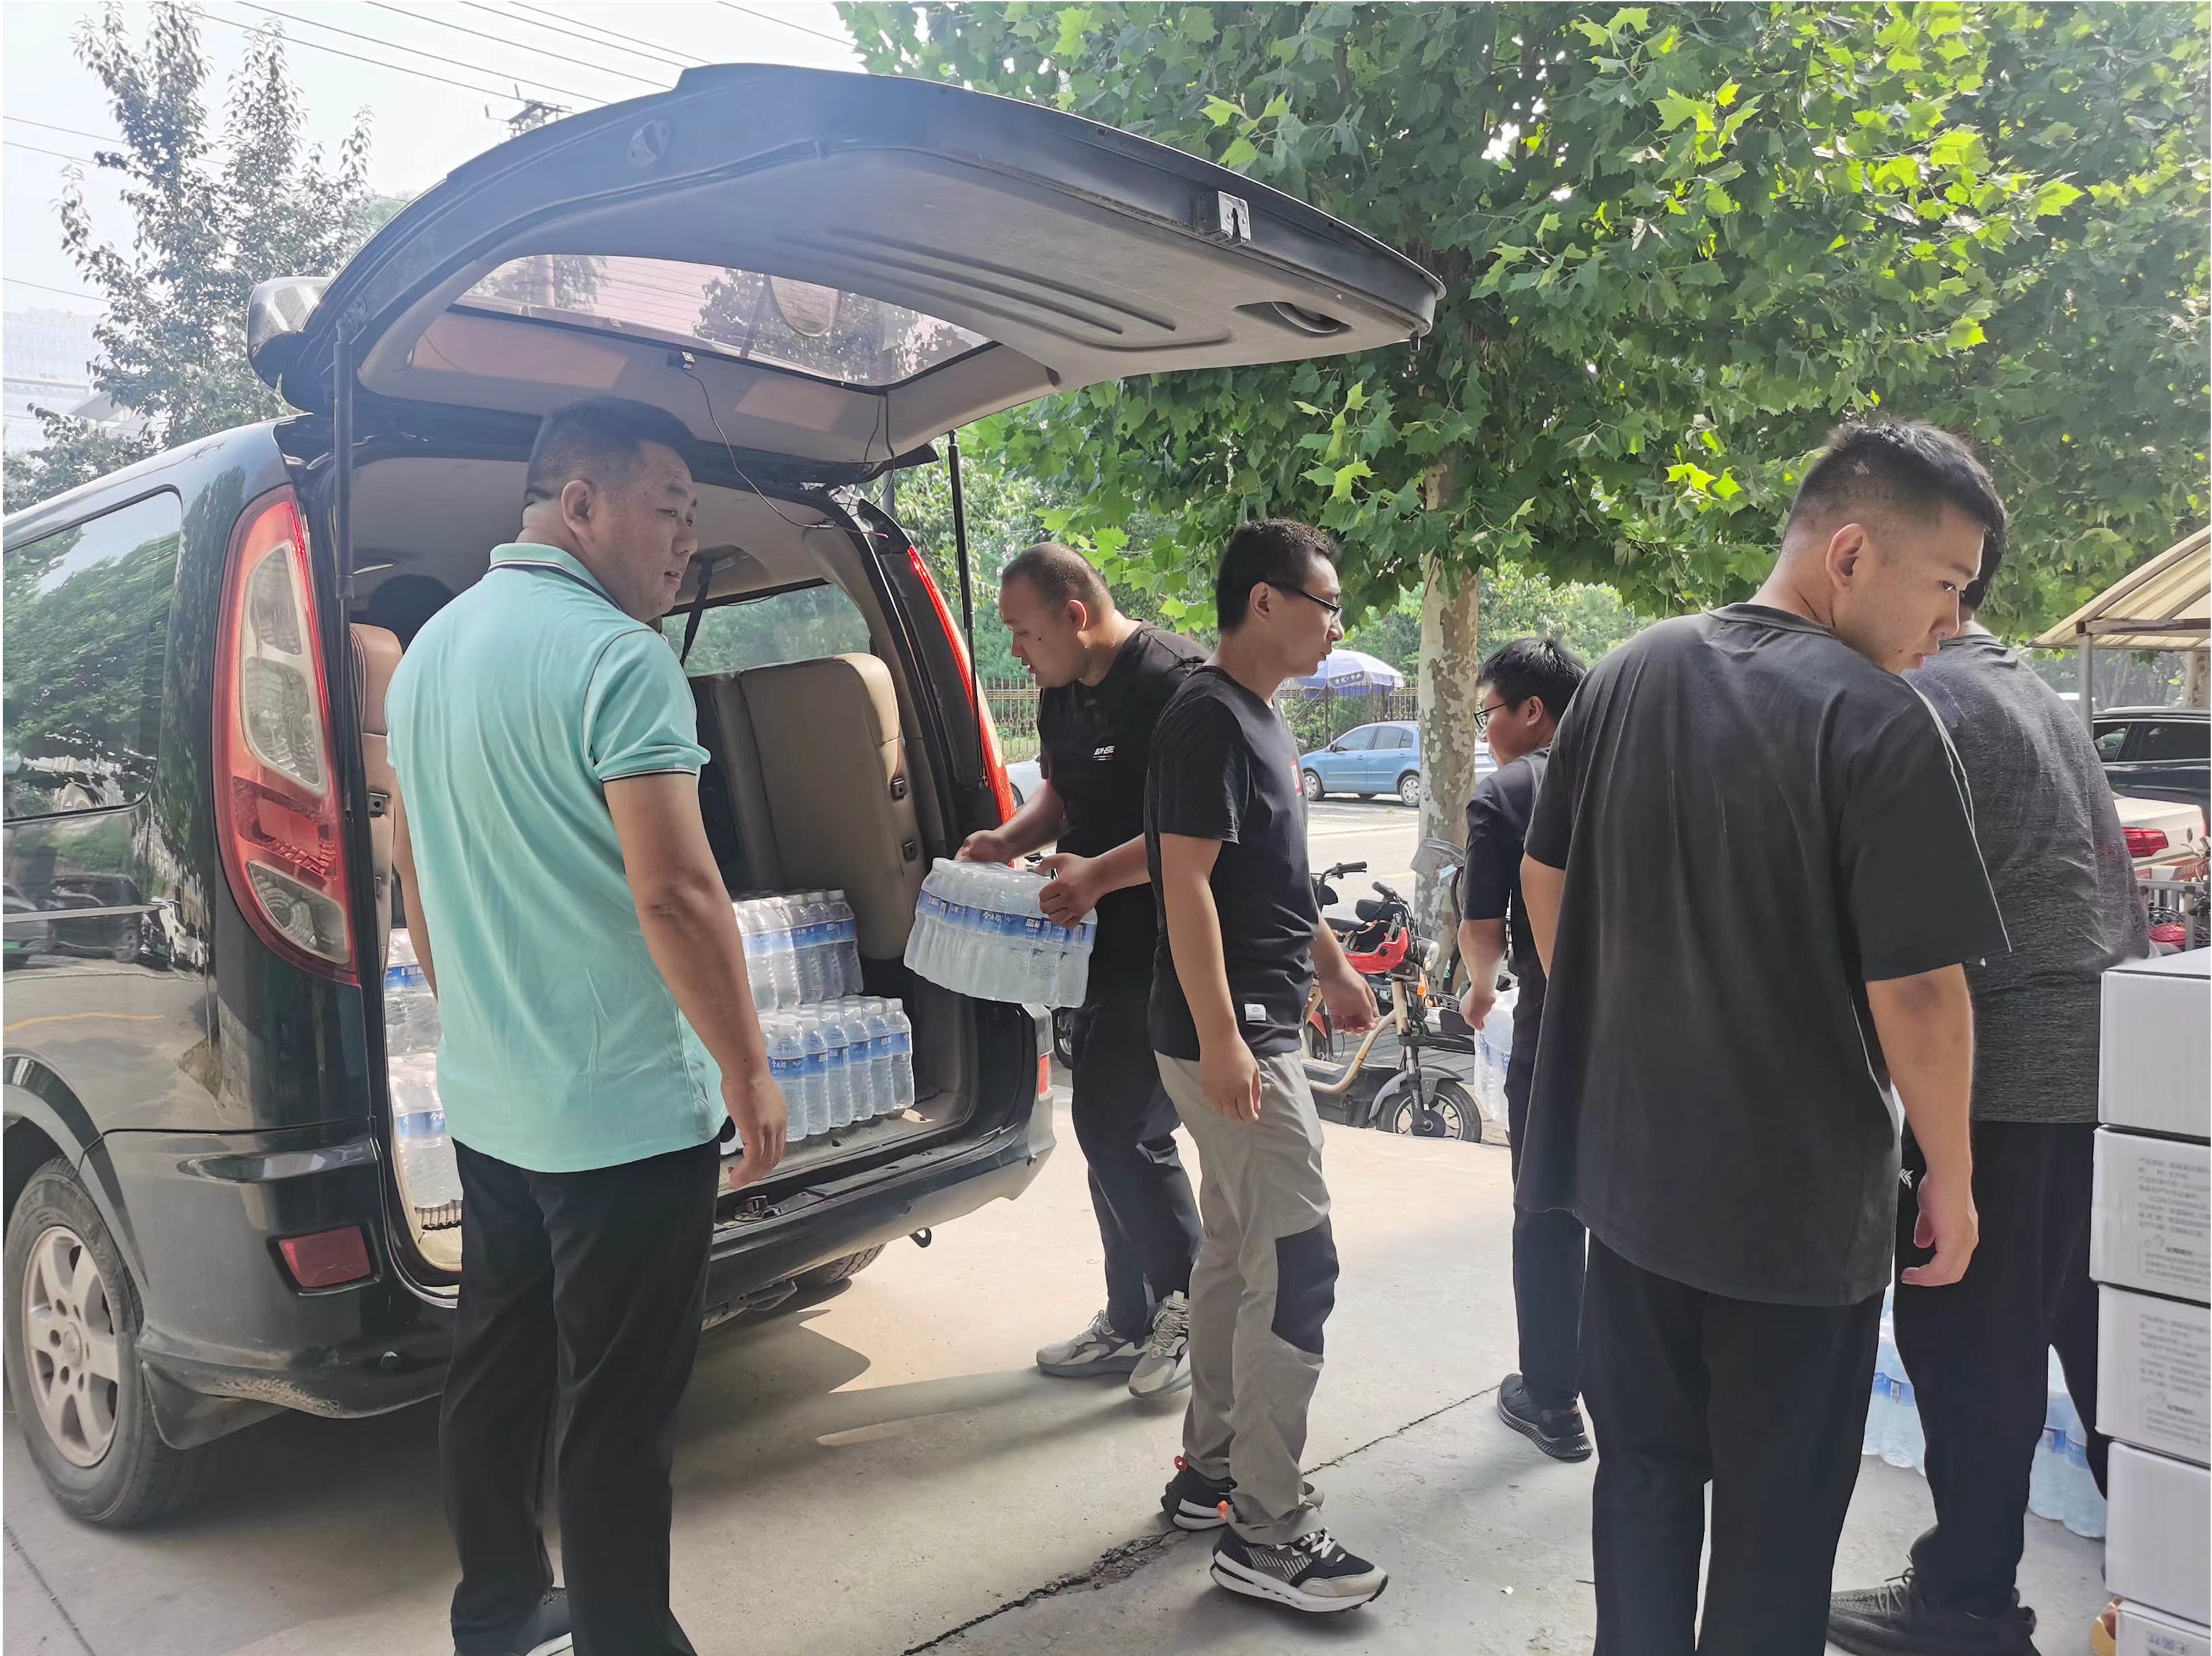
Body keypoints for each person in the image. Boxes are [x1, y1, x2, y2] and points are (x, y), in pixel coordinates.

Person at [1517, 420, 2013, 1655]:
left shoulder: (1627, 670)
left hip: (1629, 1187)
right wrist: (1951, 1175)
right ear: (1849, 552)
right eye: (1945, 583)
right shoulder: (1881, 722)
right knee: (1774, 1533)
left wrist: (1625, 1017)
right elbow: (1920, 994)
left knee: (1640, 1481)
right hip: (1791, 1221)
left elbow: (1543, 874)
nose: (1952, 621)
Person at [388, 395, 788, 1656]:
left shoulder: (429, 654)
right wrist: (748, 1067)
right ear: (580, 504)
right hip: (621, 1116)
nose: (684, 540)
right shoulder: (619, 656)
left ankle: (498, 1611)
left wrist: (473, 1015)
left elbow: (413, 871)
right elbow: (676, 892)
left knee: (496, 1368)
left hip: (494, 1100)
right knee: (618, 1409)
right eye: (668, 509)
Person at [1828, 535, 2149, 1655]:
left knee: (1969, 1349)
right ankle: (2173, 1581)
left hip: (2002, 1080)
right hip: (2101, 1074)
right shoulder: (2023, 688)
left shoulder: (1929, 707)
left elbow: (1909, 955)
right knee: (2100, 1354)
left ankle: (1963, 1604)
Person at [1147, 518, 1390, 1614]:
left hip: (1252, 1019)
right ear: (1263, 600)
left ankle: (1210, 1472)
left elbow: (1271, 878)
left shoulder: (1258, 715)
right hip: (1233, 1031)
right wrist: (1223, 1035)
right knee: (1297, 1262)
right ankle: (1266, 1530)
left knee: (1239, 1249)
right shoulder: (1206, 714)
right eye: (1324, 603)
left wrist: (1330, 967)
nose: (1335, 624)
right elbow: (1186, 881)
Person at [959, 543, 1207, 1398]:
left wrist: (1097, 874)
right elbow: (1062, 797)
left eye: (1024, 632)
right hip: (1092, 952)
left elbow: (1195, 827)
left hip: (1173, 948)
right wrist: (1007, 838)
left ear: (1074, 614)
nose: (1016, 652)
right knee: (1102, 1130)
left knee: (1122, 1128)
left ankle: (1191, 1310)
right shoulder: (1061, 690)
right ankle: (1130, 1318)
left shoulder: (1174, 684)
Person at [1455, 635, 1590, 1461]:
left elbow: (1482, 929)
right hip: (1653, 1035)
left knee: (1546, 1210)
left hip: (1557, 1036)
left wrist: (1478, 990)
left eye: (1488, 713)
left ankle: (1551, 1400)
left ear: (1532, 711)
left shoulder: (1507, 793)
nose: (1486, 730)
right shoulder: (1636, 768)